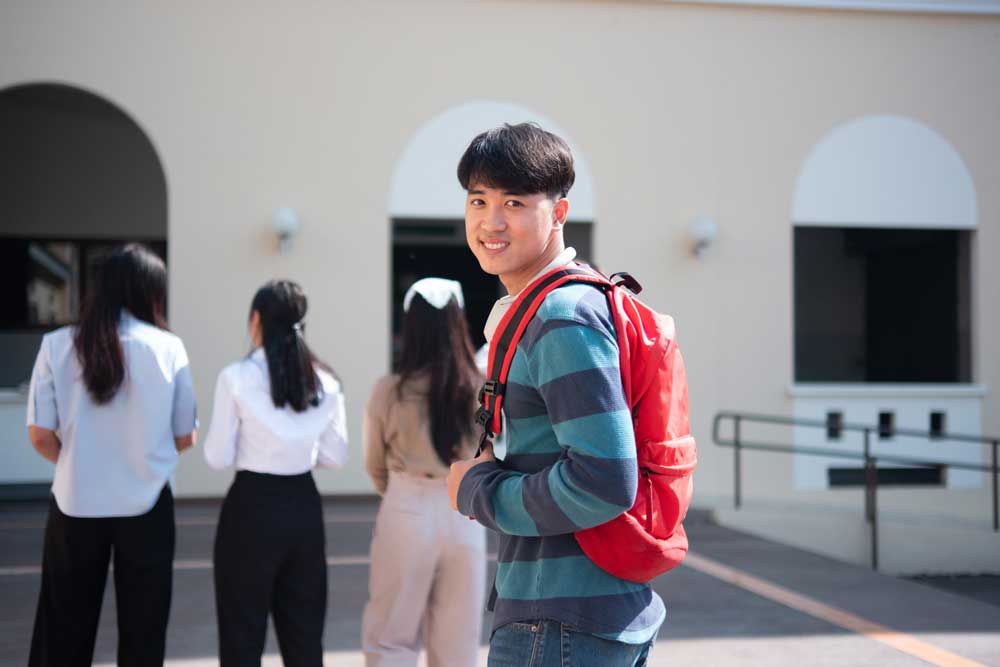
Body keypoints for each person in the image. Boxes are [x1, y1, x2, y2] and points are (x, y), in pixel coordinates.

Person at [446, 123, 663, 666]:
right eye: (479, 200)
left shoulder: (560, 316)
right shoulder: (558, 304)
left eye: (514, 202)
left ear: (559, 213)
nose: (491, 222)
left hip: (559, 625)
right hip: (583, 617)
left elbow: (603, 480)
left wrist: (477, 490)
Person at [25, 243, 198, 667]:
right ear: (149, 292)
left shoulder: (55, 345)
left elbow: (40, 435)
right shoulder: (168, 348)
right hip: (148, 504)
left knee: (63, 629)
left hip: (74, 502)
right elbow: (185, 436)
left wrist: (81, 460)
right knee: (144, 629)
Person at [203, 280, 348, 667]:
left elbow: (217, 457)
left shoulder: (235, 377)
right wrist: (296, 450)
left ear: (256, 321)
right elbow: (336, 456)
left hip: (250, 506)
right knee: (304, 635)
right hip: (303, 506)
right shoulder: (326, 382)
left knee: (241, 633)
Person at [361, 277, 486, 667]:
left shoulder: (390, 390)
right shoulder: (481, 388)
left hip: (407, 507)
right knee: (458, 645)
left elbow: (374, 465)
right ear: (459, 322)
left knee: (391, 638)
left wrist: (400, 494)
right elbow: (493, 456)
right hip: (465, 515)